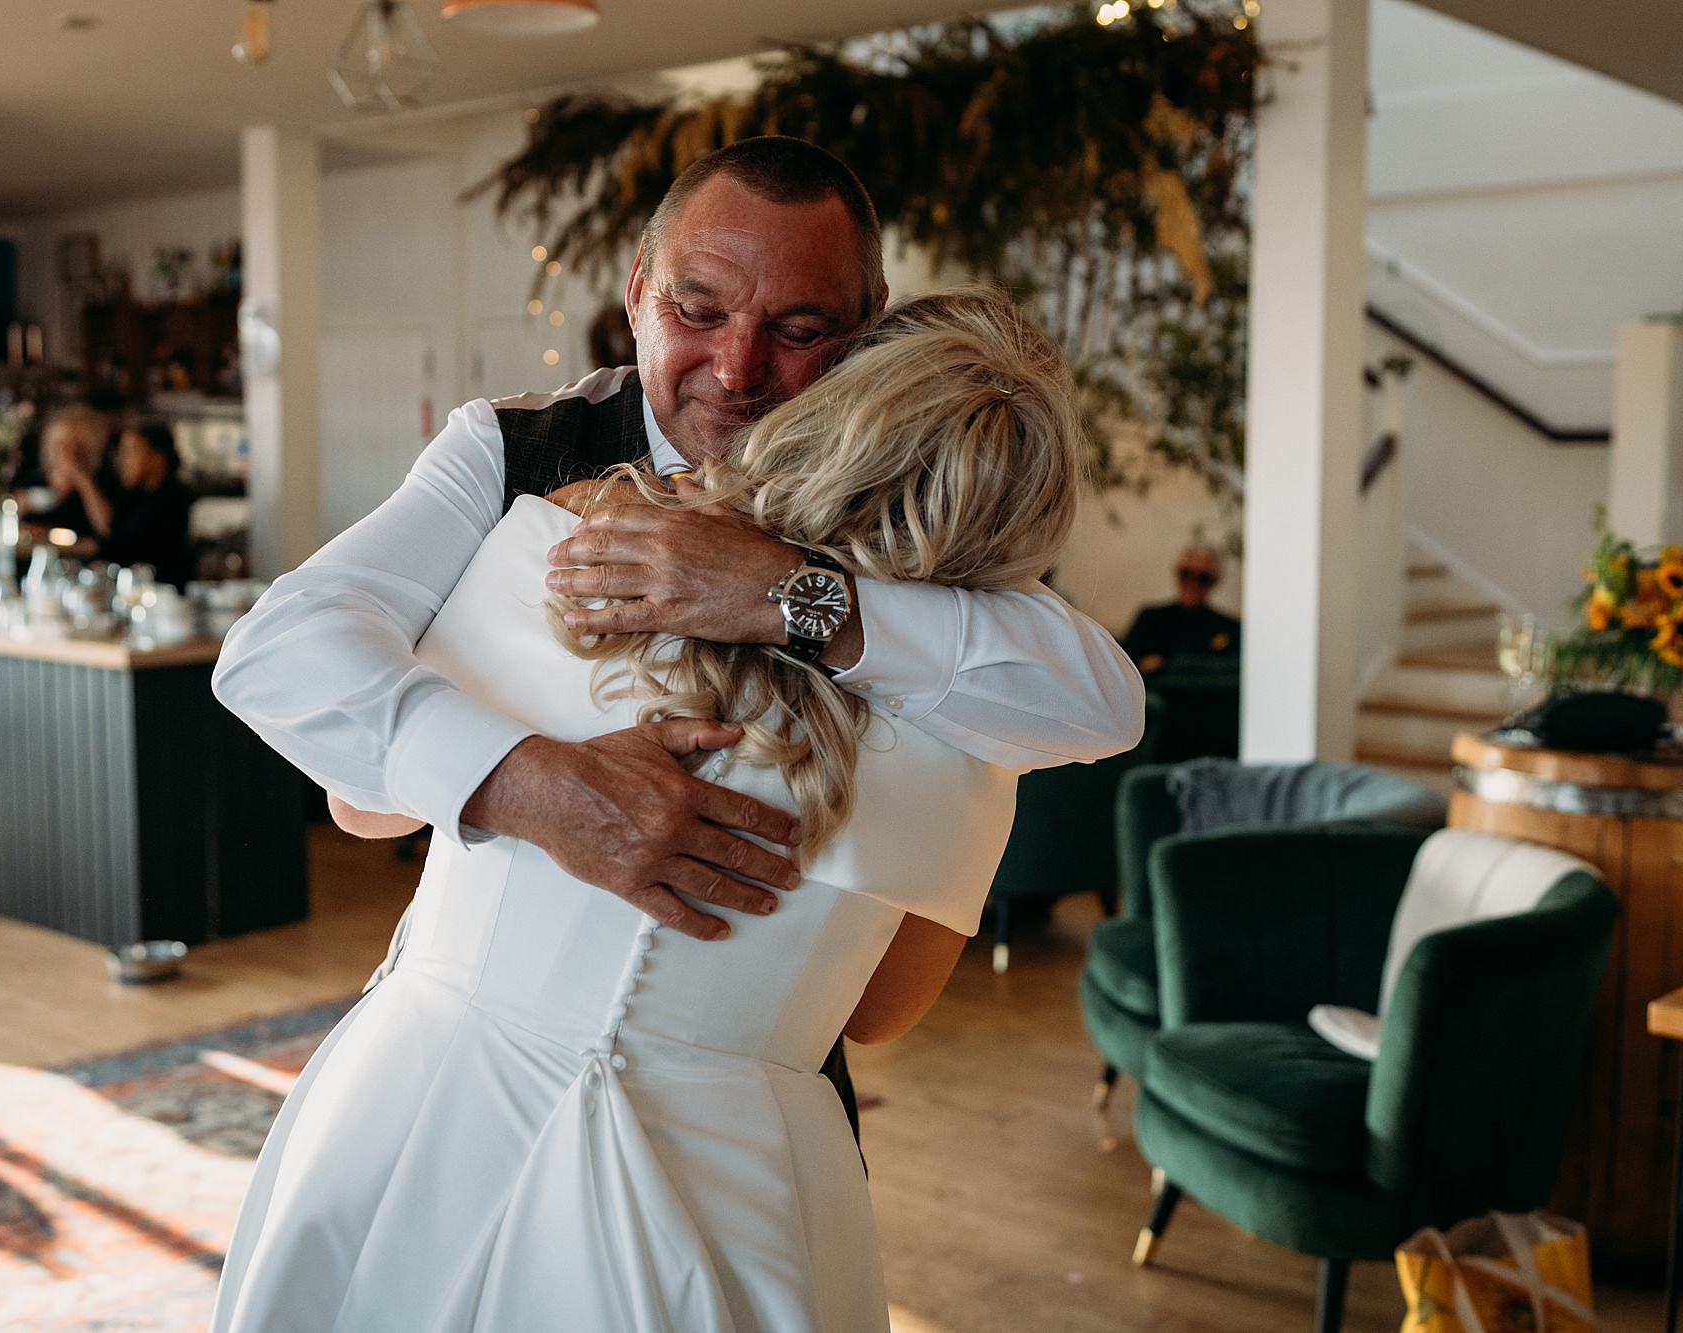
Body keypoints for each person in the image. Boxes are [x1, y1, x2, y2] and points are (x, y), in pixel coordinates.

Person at [211, 288, 1120, 1333]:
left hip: (429, 1100)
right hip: (736, 1170)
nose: (739, 364)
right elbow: (877, 1013)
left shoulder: (573, 538)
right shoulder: (985, 733)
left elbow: (358, 802)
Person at [212, 136, 1141, 1142]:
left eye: (796, 327)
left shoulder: (913, 524)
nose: (736, 367)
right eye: (696, 311)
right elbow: (286, 667)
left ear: (863, 330)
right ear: (637, 290)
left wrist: (787, 596)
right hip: (480, 1077)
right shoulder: (512, 455)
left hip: (751, 1105)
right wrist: (542, 788)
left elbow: (1101, 703)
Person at [99, 420, 195, 586]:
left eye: (131, 451)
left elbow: (119, 542)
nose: (122, 461)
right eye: (121, 453)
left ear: (157, 456)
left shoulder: (172, 497)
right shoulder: (135, 495)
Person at [1120, 545, 1241, 674]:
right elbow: (1123, 666)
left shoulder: (1229, 627)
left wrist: (1167, 663)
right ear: (1177, 574)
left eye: (1203, 578)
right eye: (1186, 574)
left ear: (1214, 582)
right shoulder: (1150, 618)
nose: (1192, 583)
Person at [18, 405, 113, 539]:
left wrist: (82, 478)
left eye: (76, 447)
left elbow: (107, 529)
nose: (66, 453)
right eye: (61, 444)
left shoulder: (100, 485)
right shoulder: (30, 482)